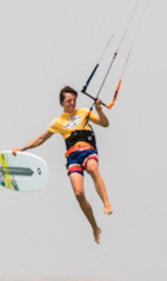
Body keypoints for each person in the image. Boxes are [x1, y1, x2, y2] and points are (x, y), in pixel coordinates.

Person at [14, 86, 112, 244]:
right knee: (79, 194)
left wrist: (100, 110)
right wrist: (22, 148)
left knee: (93, 169)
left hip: (88, 151)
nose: (72, 103)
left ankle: (106, 203)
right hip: (73, 157)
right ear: (62, 103)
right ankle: (94, 226)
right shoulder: (57, 122)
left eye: (74, 100)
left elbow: (105, 124)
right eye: (69, 101)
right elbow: (41, 139)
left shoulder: (84, 112)